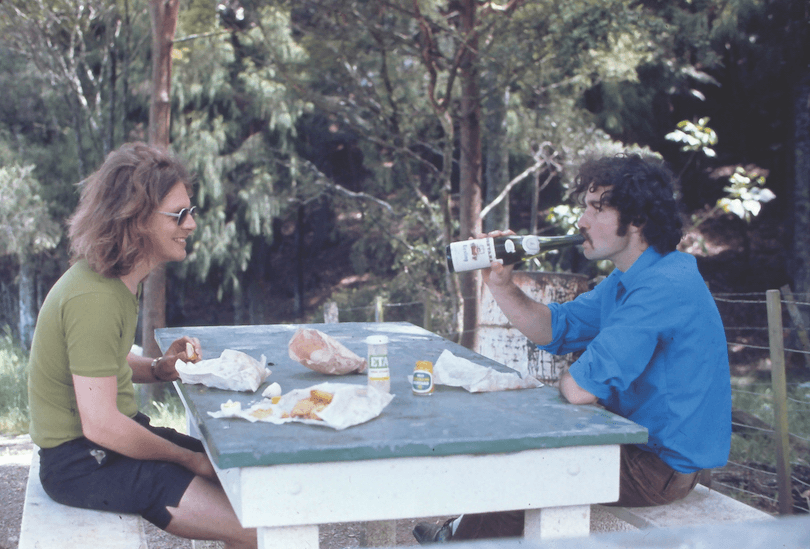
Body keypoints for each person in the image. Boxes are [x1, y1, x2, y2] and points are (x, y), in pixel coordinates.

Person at [413, 153, 731, 544]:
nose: (581, 221)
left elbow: (580, 390)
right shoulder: (631, 277)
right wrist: (500, 285)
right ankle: (456, 533)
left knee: (531, 462)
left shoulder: (663, 287)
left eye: (597, 209)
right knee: (523, 443)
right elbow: (555, 328)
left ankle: (453, 539)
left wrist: (577, 376)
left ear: (637, 221)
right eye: (585, 207)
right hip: (633, 443)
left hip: (659, 468)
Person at [27, 142, 258, 549]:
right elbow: (100, 423)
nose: (191, 224)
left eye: (192, 211)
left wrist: (155, 369)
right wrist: (189, 459)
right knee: (256, 526)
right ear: (135, 220)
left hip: (108, 445)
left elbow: (98, 364)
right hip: (84, 462)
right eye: (178, 214)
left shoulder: (110, 282)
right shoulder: (94, 297)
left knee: (251, 486)